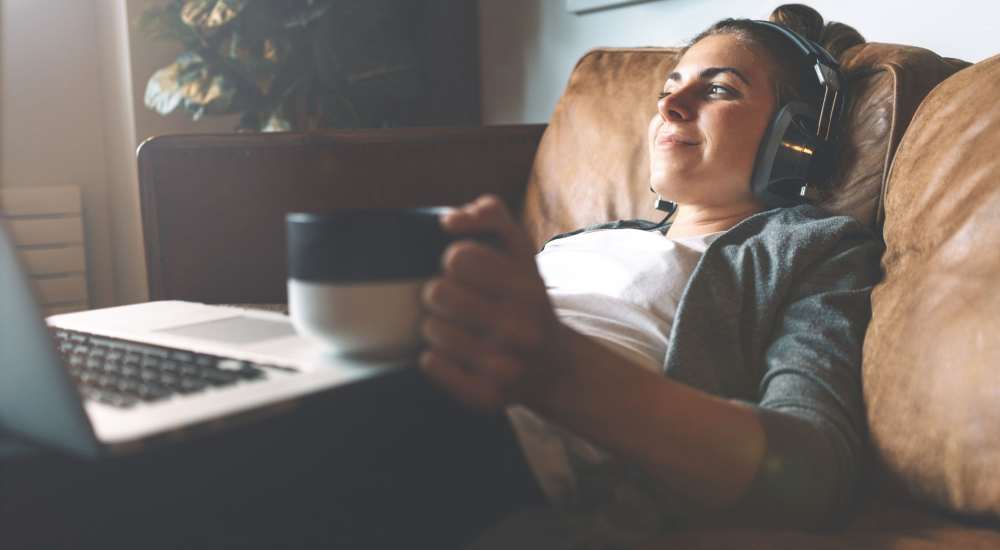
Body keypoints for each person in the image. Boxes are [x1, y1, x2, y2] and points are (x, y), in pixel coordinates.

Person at [418, 4, 881, 547]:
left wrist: (560, 369)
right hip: (413, 372)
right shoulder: (587, 237)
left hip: (510, 449)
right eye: (670, 85)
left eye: (719, 90)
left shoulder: (813, 248)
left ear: (792, 139)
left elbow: (813, 472)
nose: (670, 104)